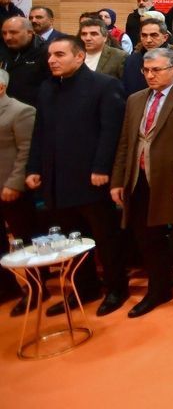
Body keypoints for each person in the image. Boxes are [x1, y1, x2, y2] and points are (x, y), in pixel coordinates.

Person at [26, 36, 127, 316]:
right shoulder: (47, 88)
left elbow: (111, 132)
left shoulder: (104, 85)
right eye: (50, 55)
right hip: (57, 180)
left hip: (93, 178)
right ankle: (85, 288)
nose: (52, 60)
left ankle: (117, 288)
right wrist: (34, 168)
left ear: (79, 57)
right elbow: (40, 132)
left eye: (59, 54)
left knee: (105, 239)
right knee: (72, 240)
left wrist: (102, 168)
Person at [109, 47, 173, 318]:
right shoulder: (135, 99)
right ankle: (159, 289)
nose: (150, 75)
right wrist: (118, 180)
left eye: (156, 70)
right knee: (147, 238)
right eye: (146, 70)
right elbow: (125, 142)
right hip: (139, 178)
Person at [0, 69, 37, 313]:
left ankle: (36, 287)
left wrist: (14, 183)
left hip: (11, 186)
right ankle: (6, 287)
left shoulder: (20, 111)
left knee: (25, 240)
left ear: (1, 87)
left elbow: (26, 151)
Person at [0, 16, 50, 106]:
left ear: (30, 33)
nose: (7, 37)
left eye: (13, 32)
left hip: (34, 109)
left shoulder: (47, 52)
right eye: (4, 33)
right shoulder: (3, 50)